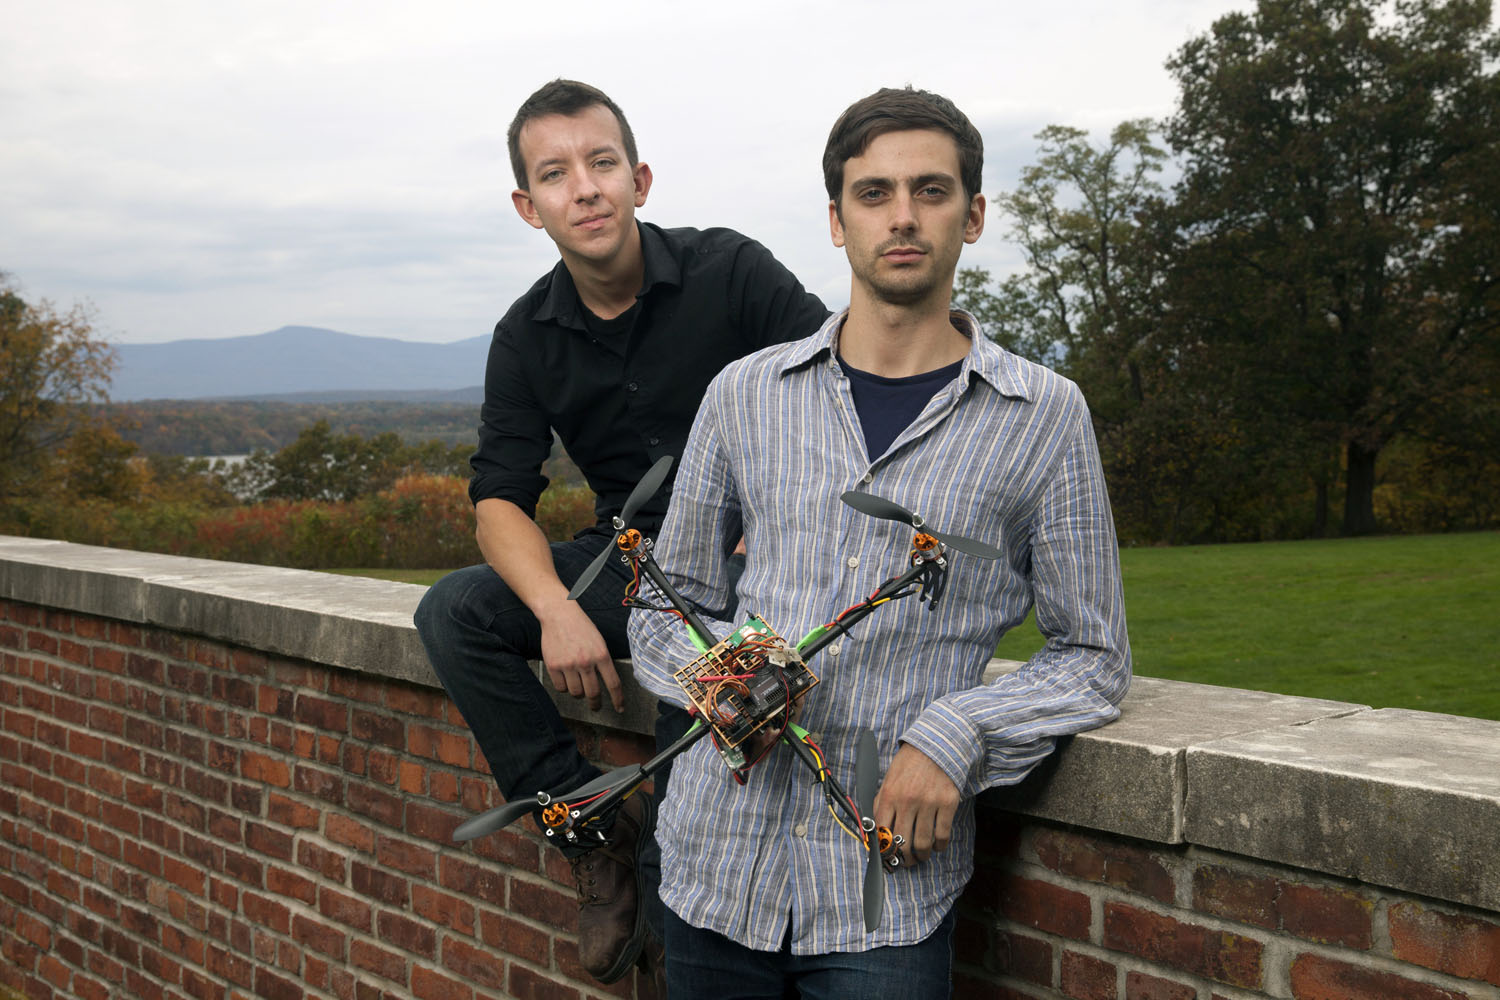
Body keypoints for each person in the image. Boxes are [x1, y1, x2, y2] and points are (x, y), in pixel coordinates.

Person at [626, 86, 1131, 996]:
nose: (903, 216)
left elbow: (1092, 655)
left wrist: (958, 731)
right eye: (874, 193)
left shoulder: (1044, 415)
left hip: (882, 888)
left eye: (931, 191)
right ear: (837, 221)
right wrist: (724, 679)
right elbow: (667, 604)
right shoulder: (744, 394)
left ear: (972, 217)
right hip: (711, 864)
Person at [413, 79, 828, 985]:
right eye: (555, 174)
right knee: (453, 613)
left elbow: (838, 386)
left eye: (602, 163)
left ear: (639, 180)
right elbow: (498, 499)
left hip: (755, 568)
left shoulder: (732, 271)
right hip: (632, 561)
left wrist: (776, 515)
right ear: (529, 206)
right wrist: (554, 606)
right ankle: (591, 827)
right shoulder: (526, 334)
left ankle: (671, 903)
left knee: (692, 753)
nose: (585, 188)